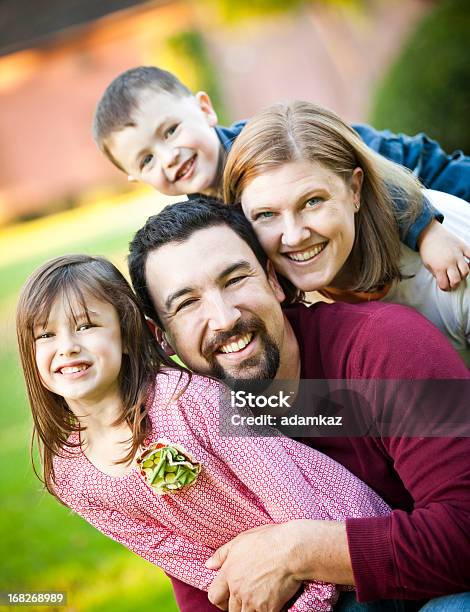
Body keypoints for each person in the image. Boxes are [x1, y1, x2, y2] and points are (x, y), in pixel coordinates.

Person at [128, 198, 470, 612]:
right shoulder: (187, 426)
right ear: (161, 337)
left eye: (236, 279)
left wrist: (298, 550)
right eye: (187, 304)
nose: (224, 317)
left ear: (273, 279)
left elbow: (465, 531)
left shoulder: (389, 345)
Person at [17, 253, 404, 612]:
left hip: (348, 553)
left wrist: (313, 601)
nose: (67, 347)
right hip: (271, 589)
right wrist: (236, 594)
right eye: (45, 335)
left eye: (87, 325)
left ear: (126, 332)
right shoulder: (69, 475)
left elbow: (289, 493)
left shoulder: (189, 401)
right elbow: (167, 550)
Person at [93, 65, 470, 291]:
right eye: (146, 160)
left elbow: (372, 172)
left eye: (171, 131)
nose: (169, 157)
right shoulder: (206, 215)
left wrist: (426, 231)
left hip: (418, 170)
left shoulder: (266, 147)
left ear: (204, 109)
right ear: (134, 177)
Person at [223, 101, 470, 365]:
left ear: (355, 188)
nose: (294, 236)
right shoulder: (265, 301)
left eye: (312, 201)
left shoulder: (450, 252)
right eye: (266, 215)